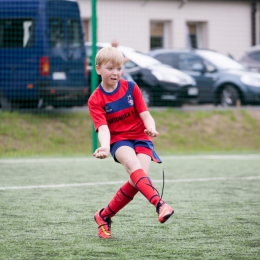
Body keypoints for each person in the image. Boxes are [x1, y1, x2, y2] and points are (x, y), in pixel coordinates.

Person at [88, 46, 174, 239]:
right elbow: (103, 128)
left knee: (137, 181)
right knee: (133, 165)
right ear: (98, 69)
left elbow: (146, 115)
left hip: (142, 137)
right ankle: (160, 205)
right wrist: (104, 146)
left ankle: (103, 216)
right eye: (110, 68)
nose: (116, 73)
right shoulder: (95, 100)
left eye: (119, 68)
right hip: (119, 140)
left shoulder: (131, 88)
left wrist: (150, 127)